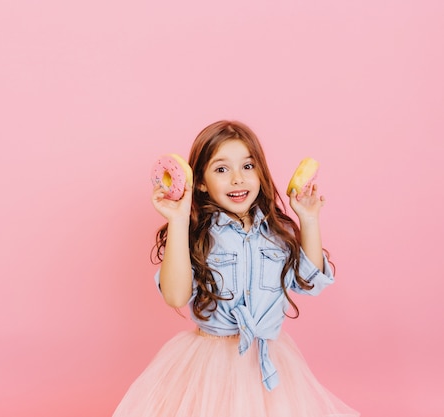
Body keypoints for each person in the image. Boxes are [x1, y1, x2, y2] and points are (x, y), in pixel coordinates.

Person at [112, 120, 359, 416]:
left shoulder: (276, 232)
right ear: (200, 182)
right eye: (221, 169)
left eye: (247, 166)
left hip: (268, 358)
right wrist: (177, 220)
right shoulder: (196, 233)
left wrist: (308, 219)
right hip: (211, 361)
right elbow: (176, 297)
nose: (237, 179)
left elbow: (310, 282)